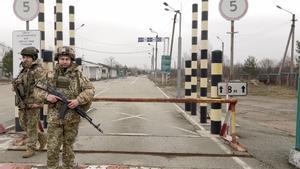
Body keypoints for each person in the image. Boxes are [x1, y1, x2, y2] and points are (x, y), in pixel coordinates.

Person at [45, 46, 95, 169]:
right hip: (54, 118)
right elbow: (36, 90)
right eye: (62, 58)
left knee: (68, 147)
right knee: (52, 147)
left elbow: (90, 90)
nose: (64, 61)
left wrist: (78, 100)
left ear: (71, 60)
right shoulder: (50, 75)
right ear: (57, 59)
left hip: (71, 118)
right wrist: (47, 96)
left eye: (67, 59)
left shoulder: (78, 75)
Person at [12, 47, 47, 158]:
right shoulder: (23, 69)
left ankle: (31, 148)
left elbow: (42, 86)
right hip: (23, 103)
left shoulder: (37, 70)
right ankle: (42, 138)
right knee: (23, 123)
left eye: (27, 57)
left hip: (33, 103)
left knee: (31, 126)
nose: (25, 59)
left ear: (33, 58)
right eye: (23, 57)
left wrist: (39, 102)